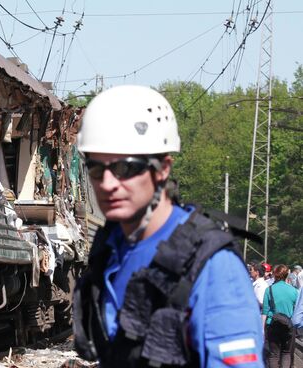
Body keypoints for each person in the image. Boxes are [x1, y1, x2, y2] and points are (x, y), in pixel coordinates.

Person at [72, 85, 263, 367]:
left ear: (163, 168)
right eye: (97, 169)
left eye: (125, 168)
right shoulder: (110, 250)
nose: (108, 184)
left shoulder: (212, 265)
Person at [262, 265, 298, 367]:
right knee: (286, 353)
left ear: (274, 274)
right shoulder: (294, 291)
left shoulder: (269, 290)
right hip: (288, 326)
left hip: (272, 325)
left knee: (273, 355)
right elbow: (297, 309)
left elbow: (265, 311)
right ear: (287, 275)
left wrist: (262, 329)